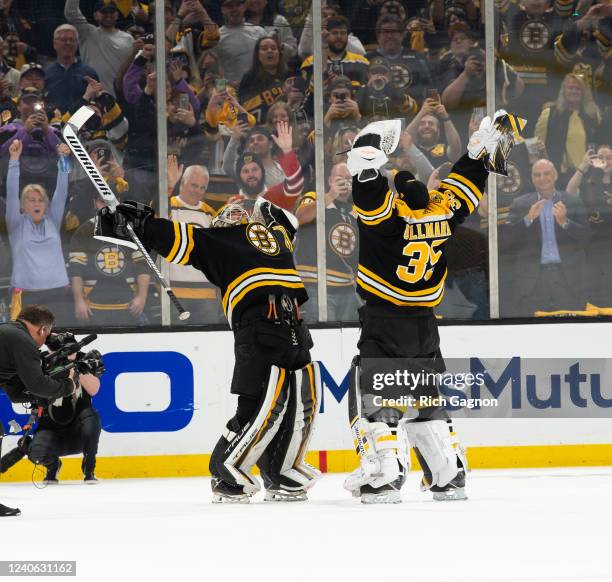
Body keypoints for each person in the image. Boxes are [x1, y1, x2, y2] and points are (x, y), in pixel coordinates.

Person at [342, 112, 521, 503]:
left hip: (385, 319)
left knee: (375, 395)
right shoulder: (441, 212)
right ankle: (448, 472)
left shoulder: (385, 220)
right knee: (426, 398)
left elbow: (368, 190)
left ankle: (384, 473)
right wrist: (476, 153)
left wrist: (369, 152)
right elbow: (465, 185)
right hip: (425, 324)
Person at [94, 196, 321, 503]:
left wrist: (141, 224)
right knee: (261, 405)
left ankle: (281, 471)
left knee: (294, 403)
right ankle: (228, 473)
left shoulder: (257, 237)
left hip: (286, 327)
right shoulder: (249, 237)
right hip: (265, 327)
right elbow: (181, 236)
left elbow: (177, 237)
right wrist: (143, 226)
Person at [0, 305, 79, 516]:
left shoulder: (10, 335)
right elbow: (37, 384)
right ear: (43, 329)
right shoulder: (22, 340)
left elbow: (16, 393)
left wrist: (46, 395)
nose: (46, 340)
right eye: (48, 334)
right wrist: (68, 387)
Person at [501, 158, 590, 317]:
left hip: (567, 278)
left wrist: (565, 223)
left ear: (555, 175)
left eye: (546, 174)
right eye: (537, 175)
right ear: (532, 178)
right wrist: (527, 219)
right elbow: (506, 240)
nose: (542, 178)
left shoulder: (572, 201)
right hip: (532, 280)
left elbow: (587, 238)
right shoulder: (520, 204)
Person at [5, 139, 73, 325]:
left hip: (59, 293)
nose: (36, 203)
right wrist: (14, 160)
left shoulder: (53, 220)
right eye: (31, 200)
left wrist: (64, 159)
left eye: (40, 200)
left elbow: (62, 191)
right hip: (27, 296)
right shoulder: (15, 225)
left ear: (46, 204)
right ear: (22, 205)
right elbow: (11, 193)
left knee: (62, 343)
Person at [294, 161, 360, 322]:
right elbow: (300, 218)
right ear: (330, 181)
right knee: (322, 338)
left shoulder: (355, 211)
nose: (345, 182)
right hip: (315, 286)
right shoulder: (314, 197)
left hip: (347, 289)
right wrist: (331, 195)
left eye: (349, 178)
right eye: (340, 178)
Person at [166, 158, 222, 324]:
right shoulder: (168, 205)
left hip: (207, 294)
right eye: (193, 185)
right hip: (174, 294)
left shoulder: (210, 214)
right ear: (182, 182)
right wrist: (169, 187)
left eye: (202, 187)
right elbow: (152, 221)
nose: (197, 191)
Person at [64, 0, 134, 97]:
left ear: (117, 15)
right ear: (95, 15)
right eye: (104, 12)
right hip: (92, 97)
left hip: (120, 98)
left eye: (112, 12)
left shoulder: (129, 39)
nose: (108, 15)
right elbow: (71, 13)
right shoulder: (87, 33)